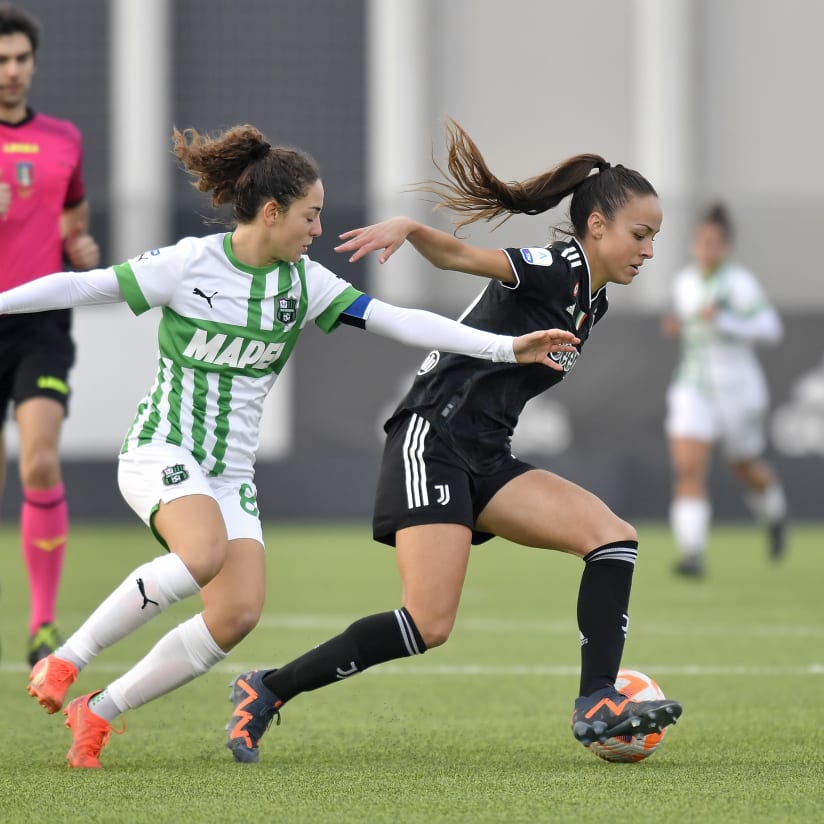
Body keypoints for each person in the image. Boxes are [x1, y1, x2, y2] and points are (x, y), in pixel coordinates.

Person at [2, 122, 577, 769]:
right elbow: (81, 286)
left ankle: (98, 711)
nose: (317, 230)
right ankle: (65, 660)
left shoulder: (303, 284)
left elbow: (402, 322)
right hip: (162, 449)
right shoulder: (190, 265)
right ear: (272, 213)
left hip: (227, 473)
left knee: (238, 614)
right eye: (311, 215)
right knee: (202, 554)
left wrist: (506, 346)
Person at [224, 119, 684, 765]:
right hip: (431, 439)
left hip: (486, 454)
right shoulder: (558, 267)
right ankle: (266, 688)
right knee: (427, 624)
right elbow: (464, 258)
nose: (650, 249)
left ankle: (597, 703)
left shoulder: (591, 299)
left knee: (612, 538)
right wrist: (410, 231)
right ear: (599, 226)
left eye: (656, 237)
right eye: (642, 234)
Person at [0, 4, 100, 665]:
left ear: (33, 63)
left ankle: (42, 625)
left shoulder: (63, 137)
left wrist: (83, 248)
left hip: (40, 323)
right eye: (1, 60)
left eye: (20, 59)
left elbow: (74, 224)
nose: (10, 72)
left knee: (38, 460)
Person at [663, 203, 787, 578]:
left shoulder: (740, 283)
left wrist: (728, 321)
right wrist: (678, 325)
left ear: (726, 247)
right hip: (694, 386)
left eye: (714, 242)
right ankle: (692, 554)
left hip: (738, 390)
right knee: (688, 467)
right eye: (700, 241)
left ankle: (774, 512)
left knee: (744, 465)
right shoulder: (683, 283)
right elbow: (685, 323)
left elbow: (771, 329)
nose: (706, 248)